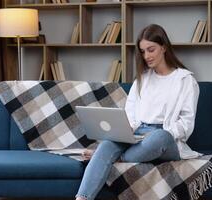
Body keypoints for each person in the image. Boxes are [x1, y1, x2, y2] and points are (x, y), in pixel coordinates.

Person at [76, 24, 200, 200]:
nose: (146, 56)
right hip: (137, 134)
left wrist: (163, 133)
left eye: (151, 50)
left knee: (160, 136)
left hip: (164, 139)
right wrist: (128, 131)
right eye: (143, 51)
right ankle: (82, 197)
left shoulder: (185, 80)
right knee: (107, 144)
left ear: (164, 47)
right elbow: (130, 113)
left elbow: (187, 124)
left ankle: (109, 157)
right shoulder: (142, 78)